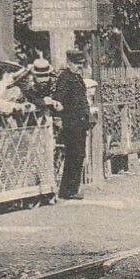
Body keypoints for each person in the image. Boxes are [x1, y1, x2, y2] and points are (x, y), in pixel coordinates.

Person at [48, 49, 93, 200]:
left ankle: (71, 189)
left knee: (78, 155)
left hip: (80, 123)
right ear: (68, 63)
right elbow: (58, 100)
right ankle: (68, 191)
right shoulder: (65, 78)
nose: (79, 66)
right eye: (76, 64)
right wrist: (60, 117)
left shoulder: (77, 78)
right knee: (74, 156)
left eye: (81, 64)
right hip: (71, 124)